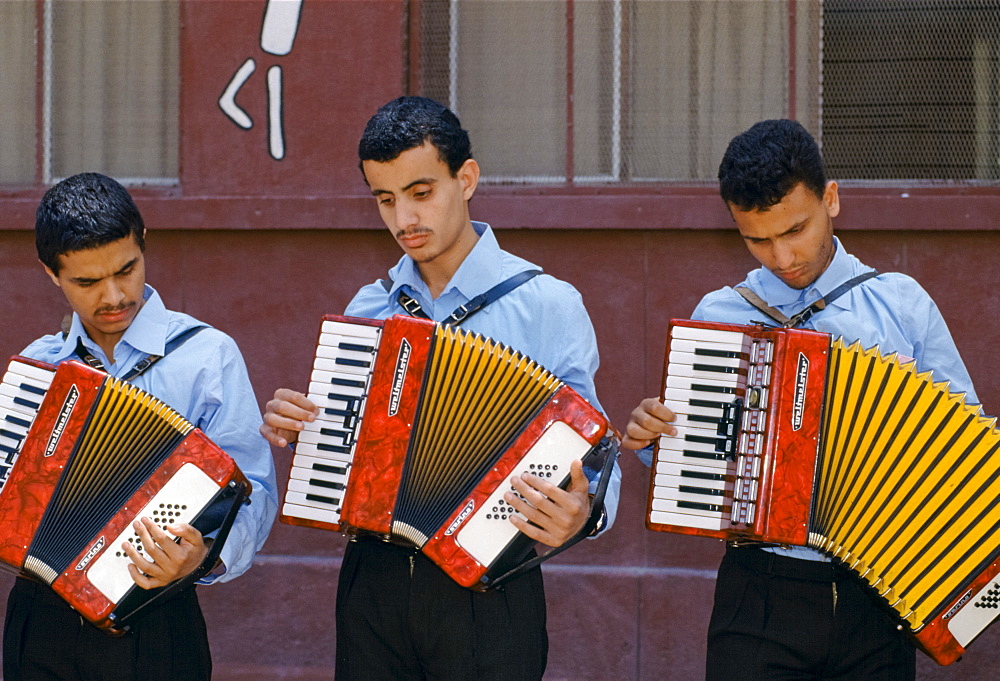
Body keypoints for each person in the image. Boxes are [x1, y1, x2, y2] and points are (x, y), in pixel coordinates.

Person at [260, 95, 620, 681]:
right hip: (371, 584)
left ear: (467, 178)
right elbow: (349, 462)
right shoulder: (370, 308)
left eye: (420, 193)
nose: (404, 220)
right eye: (385, 199)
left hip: (492, 586)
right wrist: (306, 435)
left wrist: (583, 512)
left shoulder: (548, 305)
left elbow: (597, 457)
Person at [623, 119, 977, 681]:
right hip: (759, 590)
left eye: (796, 230)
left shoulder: (901, 305)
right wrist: (655, 441)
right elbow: (699, 461)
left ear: (830, 199)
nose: (782, 256)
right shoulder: (721, 315)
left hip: (879, 596)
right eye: (757, 239)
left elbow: (966, 448)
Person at [3, 172, 278, 681]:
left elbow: (255, 492)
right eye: (87, 282)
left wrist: (202, 558)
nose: (113, 296)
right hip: (40, 622)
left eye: (126, 270)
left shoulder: (206, 354)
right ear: (51, 274)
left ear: (144, 242)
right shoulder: (35, 371)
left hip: (156, 619)